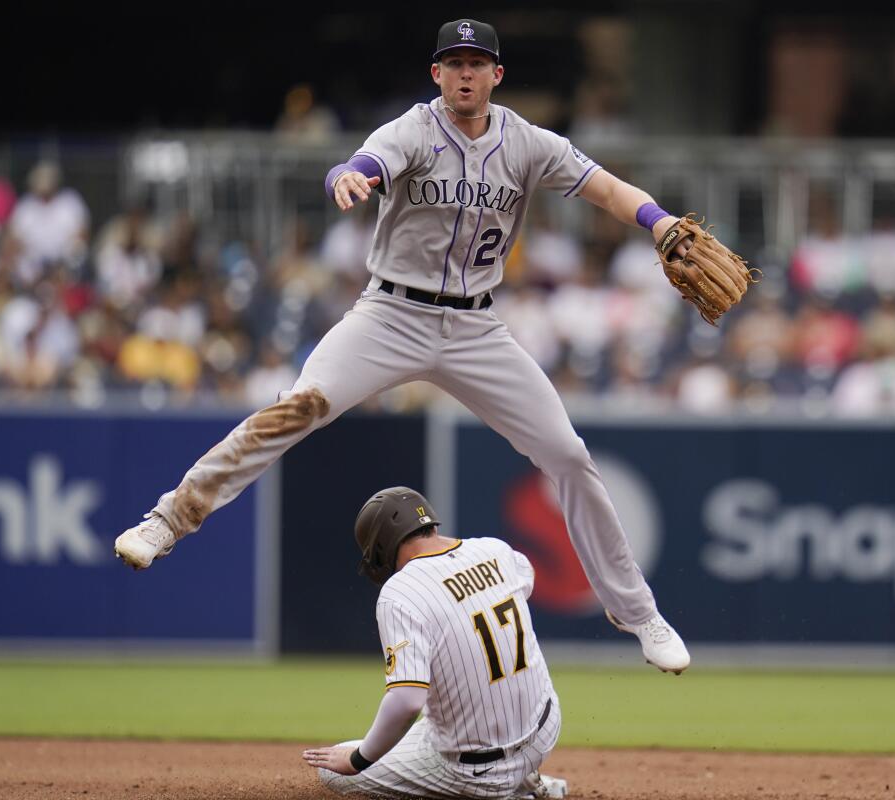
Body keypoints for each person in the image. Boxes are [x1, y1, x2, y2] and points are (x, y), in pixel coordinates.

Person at [113, 18, 690, 674]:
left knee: (568, 453)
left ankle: (637, 610)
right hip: (390, 314)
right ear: (436, 73)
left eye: (478, 63)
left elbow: (608, 188)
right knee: (296, 406)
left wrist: (660, 220)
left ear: (497, 76)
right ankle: (170, 518)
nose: (466, 73)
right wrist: (348, 179)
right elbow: (360, 163)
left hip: (476, 328)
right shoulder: (414, 129)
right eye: (454, 62)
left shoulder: (528, 144)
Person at [303, 486, 567, 798]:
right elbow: (528, 577)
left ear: (382, 544)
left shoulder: (401, 591)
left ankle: (509, 792)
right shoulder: (494, 550)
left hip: (476, 772)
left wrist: (359, 759)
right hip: (545, 731)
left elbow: (407, 701)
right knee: (441, 712)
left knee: (334, 770)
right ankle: (530, 778)